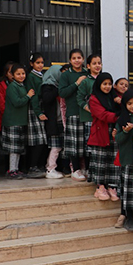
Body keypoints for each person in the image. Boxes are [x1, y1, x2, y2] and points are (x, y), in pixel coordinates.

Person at [87, 72, 121, 201]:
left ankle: (112, 187)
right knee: (100, 161)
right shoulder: (94, 99)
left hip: (114, 133)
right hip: (100, 133)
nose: (107, 87)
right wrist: (118, 117)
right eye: (104, 84)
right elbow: (103, 115)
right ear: (99, 84)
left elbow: (125, 108)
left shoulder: (115, 97)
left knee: (113, 161)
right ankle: (100, 187)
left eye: (109, 84)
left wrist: (121, 103)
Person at [114, 89, 133, 230]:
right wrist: (125, 131)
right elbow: (118, 139)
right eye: (129, 103)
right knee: (127, 190)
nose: (132, 106)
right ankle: (127, 216)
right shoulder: (122, 120)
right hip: (128, 159)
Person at [58, 49, 89, 181]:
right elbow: (62, 93)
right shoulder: (66, 75)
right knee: (74, 143)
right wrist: (77, 83)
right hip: (73, 112)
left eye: (79, 58)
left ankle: (86, 169)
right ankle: (75, 169)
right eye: (74, 58)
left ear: (83, 59)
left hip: (87, 112)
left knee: (87, 142)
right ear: (70, 60)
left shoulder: (87, 73)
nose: (77, 60)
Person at [2, 64, 34, 179]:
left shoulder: (22, 86)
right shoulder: (12, 87)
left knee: (19, 148)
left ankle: (16, 169)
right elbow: (17, 102)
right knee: (13, 149)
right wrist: (28, 96)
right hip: (12, 121)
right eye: (18, 74)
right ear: (12, 75)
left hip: (21, 121)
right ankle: (11, 170)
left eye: (23, 73)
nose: (21, 76)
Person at [40, 64, 69, 179]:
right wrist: (58, 89)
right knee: (55, 146)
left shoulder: (60, 86)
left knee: (62, 146)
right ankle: (50, 168)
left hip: (61, 120)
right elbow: (47, 99)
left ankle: (60, 167)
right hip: (53, 120)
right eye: (61, 72)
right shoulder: (48, 86)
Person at [24, 53, 48, 179]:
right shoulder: (31, 77)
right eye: (37, 63)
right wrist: (38, 113)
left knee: (43, 140)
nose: (40, 65)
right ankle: (32, 167)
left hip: (41, 108)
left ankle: (39, 165)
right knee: (38, 140)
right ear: (32, 64)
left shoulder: (43, 76)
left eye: (42, 63)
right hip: (34, 109)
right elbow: (33, 96)